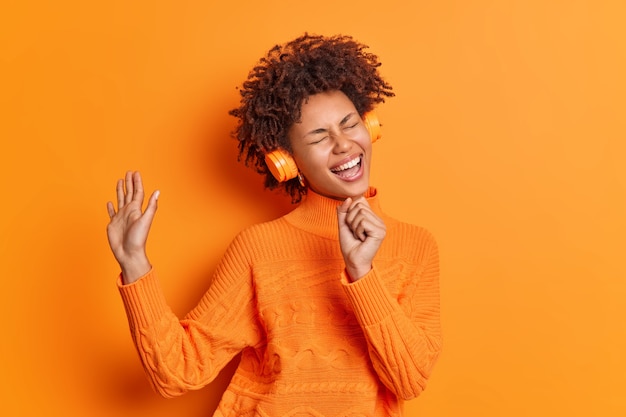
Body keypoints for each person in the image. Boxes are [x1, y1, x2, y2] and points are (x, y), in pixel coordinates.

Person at [106, 33, 441, 417]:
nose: (343, 144)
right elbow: (177, 372)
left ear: (371, 126)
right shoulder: (259, 247)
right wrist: (134, 262)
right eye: (319, 137)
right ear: (287, 163)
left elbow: (409, 380)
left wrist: (361, 272)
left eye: (349, 124)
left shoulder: (416, 246)